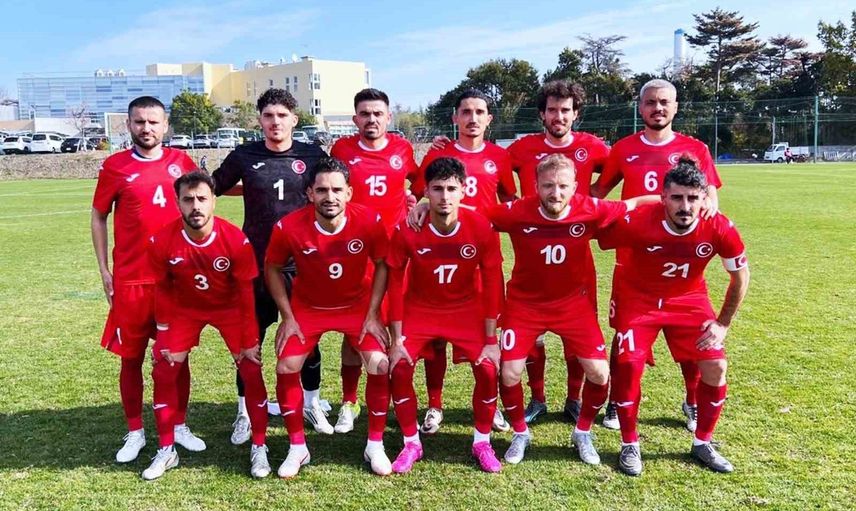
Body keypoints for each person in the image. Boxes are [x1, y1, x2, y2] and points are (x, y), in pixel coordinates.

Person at [428, 81, 609, 425]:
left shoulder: (593, 146)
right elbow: (496, 180)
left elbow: (614, 177)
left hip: (576, 256)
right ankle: (537, 398)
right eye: (552, 110)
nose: (558, 116)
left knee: (578, 337)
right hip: (528, 255)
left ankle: (574, 398)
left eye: (565, 110)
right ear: (542, 114)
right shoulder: (519, 150)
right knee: (529, 335)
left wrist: (590, 205)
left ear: (575, 113)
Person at [487, 154, 657, 466]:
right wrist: (425, 206)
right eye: (548, 186)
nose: (556, 193)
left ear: (575, 187)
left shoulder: (590, 207)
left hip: (572, 305)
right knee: (509, 372)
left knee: (599, 372)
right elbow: (472, 213)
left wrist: (677, 201)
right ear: (536, 186)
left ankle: (583, 432)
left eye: (563, 186)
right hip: (525, 304)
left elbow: (633, 204)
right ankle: (520, 433)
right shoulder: (517, 211)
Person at [597, 159, 750, 475]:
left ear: (704, 198)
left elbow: (741, 276)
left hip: (689, 300)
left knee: (716, 366)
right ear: (663, 197)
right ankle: (629, 444)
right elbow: (598, 233)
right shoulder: (639, 220)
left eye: (693, 198)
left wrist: (722, 323)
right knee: (627, 365)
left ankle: (702, 442)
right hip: (639, 301)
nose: (685, 206)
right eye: (677, 198)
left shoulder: (719, 226)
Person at [591, 78, 723, 432]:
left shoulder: (694, 148)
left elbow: (710, 196)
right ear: (640, 107)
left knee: (691, 336)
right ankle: (617, 402)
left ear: (675, 107)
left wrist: (709, 212)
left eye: (664, 102)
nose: (658, 108)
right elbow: (600, 191)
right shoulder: (624, 148)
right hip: (632, 260)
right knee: (625, 336)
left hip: (681, 259)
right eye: (650, 102)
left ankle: (692, 401)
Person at [211, 88, 331, 443]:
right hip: (256, 263)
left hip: (301, 265)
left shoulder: (312, 154)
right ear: (259, 120)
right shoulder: (244, 154)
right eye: (268, 115)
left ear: (294, 119)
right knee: (250, 340)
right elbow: (212, 186)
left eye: (282, 115)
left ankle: (311, 403)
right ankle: (245, 412)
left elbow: (334, 189)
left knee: (307, 338)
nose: (275, 122)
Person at [264, 157, 393, 477]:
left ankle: (375, 444)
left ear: (349, 192)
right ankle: (297, 447)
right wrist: (288, 316)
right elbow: (272, 268)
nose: (329, 197)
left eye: (337, 190)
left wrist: (373, 313)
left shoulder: (369, 220)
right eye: (321, 190)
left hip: (357, 307)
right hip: (309, 309)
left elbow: (382, 263)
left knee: (380, 364)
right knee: (286, 365)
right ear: (310, 193)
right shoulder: (288, 226)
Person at [142, 171, 271, 480]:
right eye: (188, 200)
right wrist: (163, 336)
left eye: (202, 198)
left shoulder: (235, 240)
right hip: (185, 310)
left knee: (251, 369)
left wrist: (250, 339)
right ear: (177, 203)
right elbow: (162, 289)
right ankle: (166, 449)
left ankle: (259, 445)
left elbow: (246, 294)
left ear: (214, 200)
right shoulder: (162, 240)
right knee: (163, 369)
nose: (195, 206)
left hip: (230, 309)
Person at [91, 95, 199, 463]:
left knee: (176, 357)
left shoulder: (181, 162)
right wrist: (104, 270)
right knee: (131, 358)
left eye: (153, 122)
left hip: (174, 280)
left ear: (165, 125)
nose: (146, 128)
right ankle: (135, 431)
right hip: (131, 281)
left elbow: (200, 207)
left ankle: (179, 425)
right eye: (139, 121)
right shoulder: (115, 166)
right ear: (128, 125)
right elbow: (98, 216)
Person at [387, 157, 505, 473]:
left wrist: (491, 339)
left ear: (463, 190)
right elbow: (395, 283)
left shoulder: (480, 227)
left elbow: (493, 283)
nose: (445, 196)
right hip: (420, 309)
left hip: (466, 309)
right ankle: (411, 443)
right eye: (437, 189)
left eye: (452, 189)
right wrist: (396, 339)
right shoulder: (408, 228)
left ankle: (482, 442)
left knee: (488, 369)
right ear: (426, 191)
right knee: (399, 366)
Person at [413, 88, 516, 435]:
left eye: (479, 112)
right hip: (440, 256)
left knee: (487, 333)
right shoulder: (438, 153)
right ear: (455, 117)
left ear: (489, 118)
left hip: (482, 260)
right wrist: (422, 205)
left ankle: (492, 404)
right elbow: (418, 195)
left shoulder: (499, 157)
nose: (473, 118)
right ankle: (435, 406)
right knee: (436, 337)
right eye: (466, 112)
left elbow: (509, 200)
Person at [328, 88, 420, 434]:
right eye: (365, 114)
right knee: (355, 331)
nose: (371, 119)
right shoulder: (342, 150)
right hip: (355, 253)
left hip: (395, 254)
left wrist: (416, 202)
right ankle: (349, 401)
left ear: (388, 117)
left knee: (398, 328)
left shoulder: (402, 149)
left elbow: (419, 182)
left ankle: (396, 397)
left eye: (378, 113)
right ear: (355, 119)